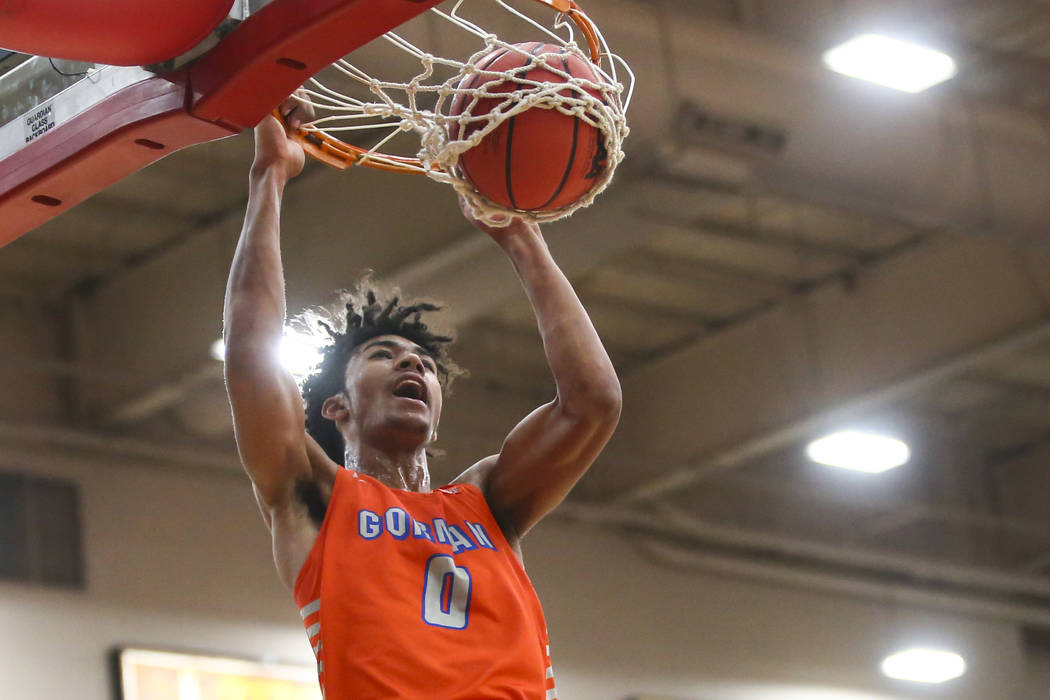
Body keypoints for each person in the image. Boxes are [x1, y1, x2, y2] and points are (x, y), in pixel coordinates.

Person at [223, 94, 621, 699]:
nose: (412, 362)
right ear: (337, 407)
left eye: (425, 364)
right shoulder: (315, 497)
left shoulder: (488, 501)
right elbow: (251, 357)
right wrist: (269, 177)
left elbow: (593, 403)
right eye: (382, 355)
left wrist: (520, 238)